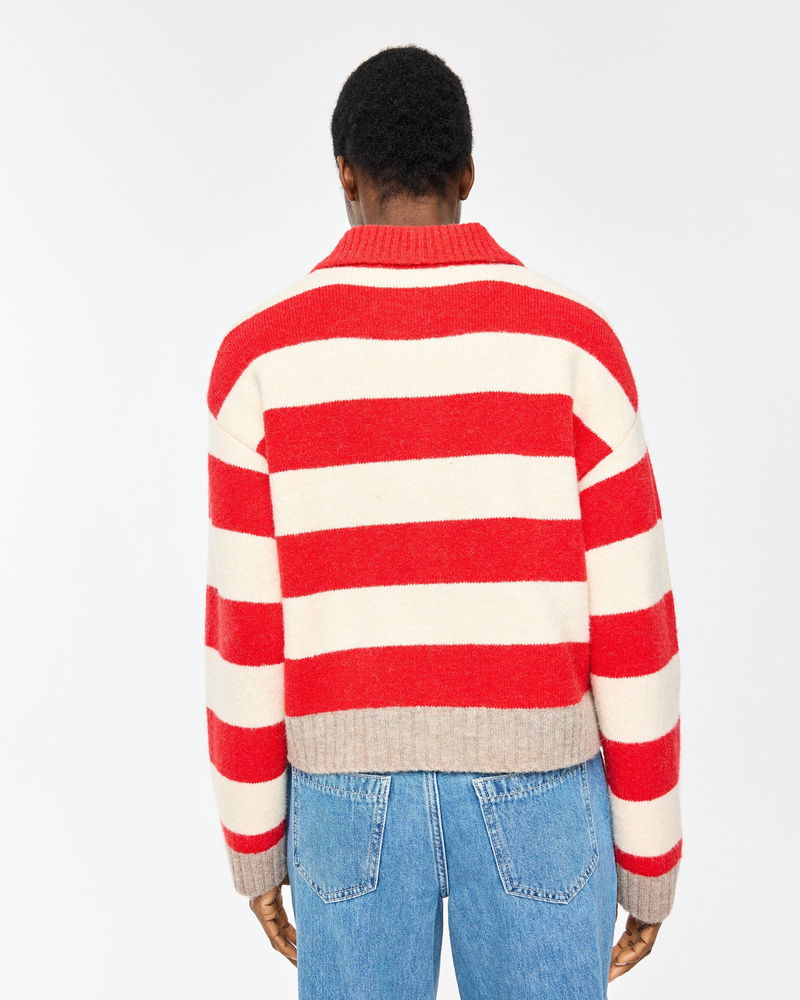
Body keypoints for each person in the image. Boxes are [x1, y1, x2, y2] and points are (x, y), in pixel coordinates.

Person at [204, 43, 682, 999]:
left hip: (344, 798)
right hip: (543, 788)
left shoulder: (261, 361)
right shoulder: (575, 347)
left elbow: (246, 634)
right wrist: (651, 855)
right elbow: (636, 626)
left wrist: (254, 843)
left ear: (345, 173)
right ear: (467, 172)